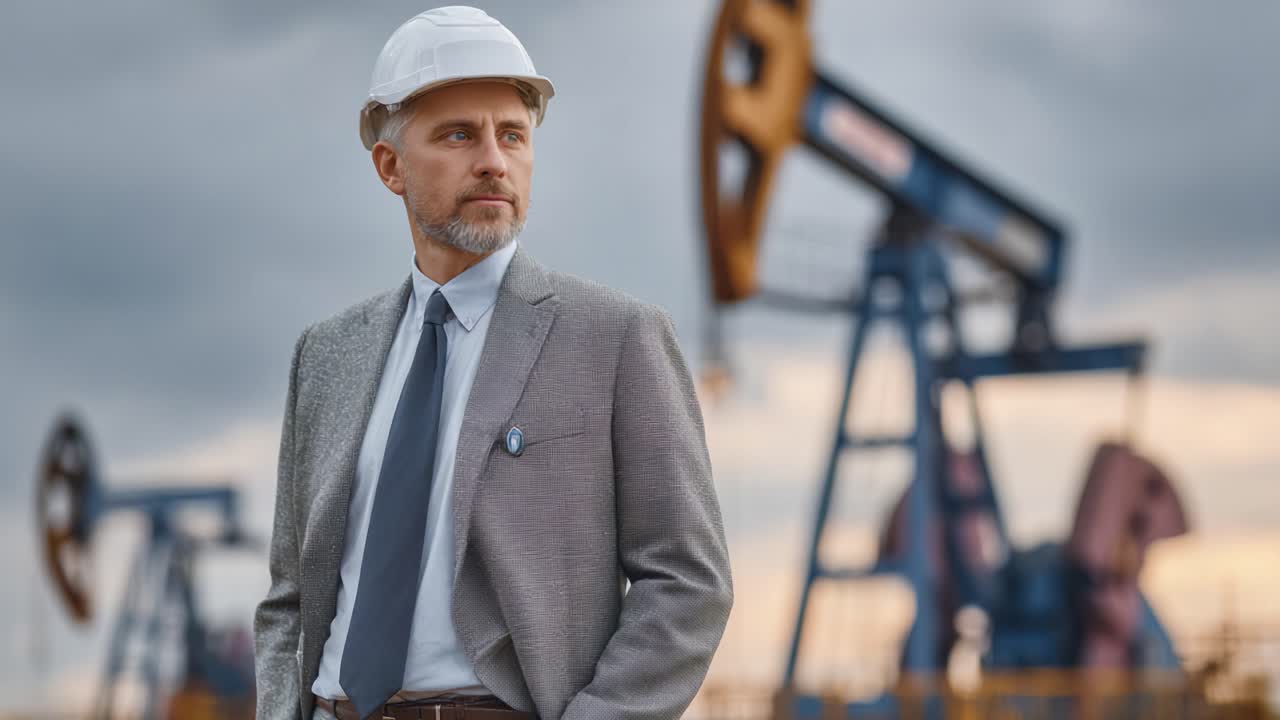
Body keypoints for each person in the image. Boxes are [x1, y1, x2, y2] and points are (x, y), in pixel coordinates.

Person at [253, 7, 733, 720]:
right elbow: (291, 596)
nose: (493, 160)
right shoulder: (325, 357)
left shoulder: (616, 338)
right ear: (390, 166)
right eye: (458, 135)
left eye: (512, 134)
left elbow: (689, 582)